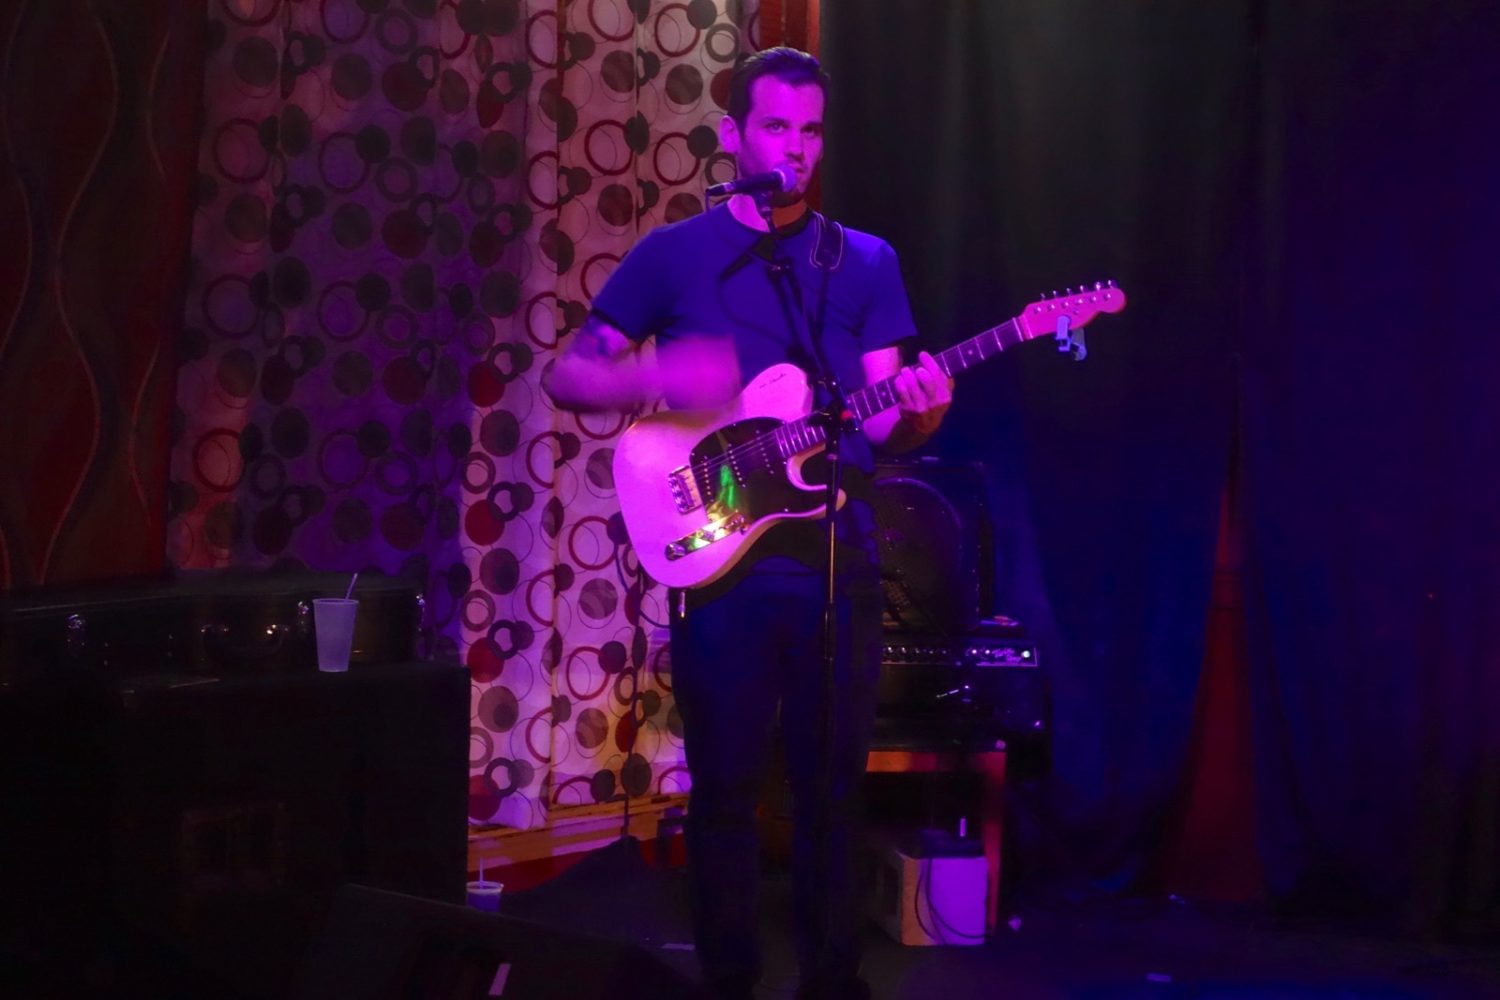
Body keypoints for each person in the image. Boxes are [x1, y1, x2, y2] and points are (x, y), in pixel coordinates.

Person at [545, 47, 953, 1000]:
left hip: (835, 556)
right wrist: (655, 378)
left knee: (832, 796)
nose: (795, 150)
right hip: (719, 571)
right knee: (725, 794)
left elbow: (888, 418)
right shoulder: (677, 255)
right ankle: (727, 979)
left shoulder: (862, 263)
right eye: (776, 128)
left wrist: (926, 407)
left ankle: (830, 980)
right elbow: (570, 374)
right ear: (734, 136)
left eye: (811, 133)